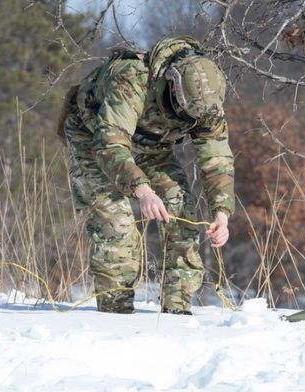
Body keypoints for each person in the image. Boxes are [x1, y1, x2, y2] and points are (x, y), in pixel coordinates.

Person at [58, 36, 235, 315]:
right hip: (94, 138)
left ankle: (177, 311)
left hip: (153, 148)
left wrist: (222, 213)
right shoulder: (131, 80)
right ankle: (115, 312)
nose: (188, 121)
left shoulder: (207, 100)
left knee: (183, 211)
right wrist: (144, 191)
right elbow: (110, 145)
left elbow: (217, 159)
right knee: (116, 222)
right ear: (172, 86)